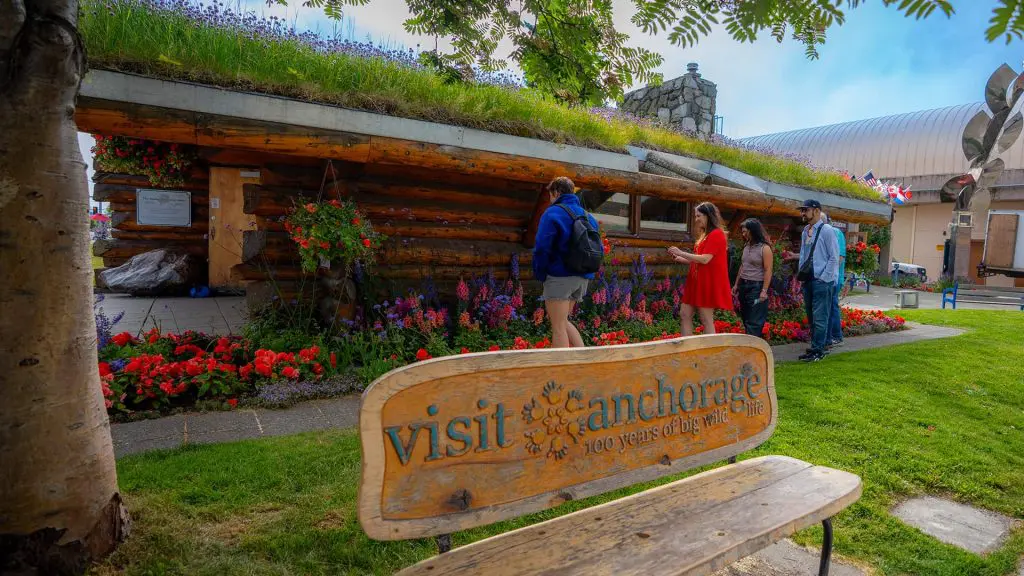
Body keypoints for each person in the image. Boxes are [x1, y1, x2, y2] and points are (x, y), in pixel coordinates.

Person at [532, 176, 601, 348]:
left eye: (550, 195)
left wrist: (540, 273)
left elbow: (542, 247)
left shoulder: (553, 212)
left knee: (558, 328)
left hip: (560, 276)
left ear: (555, 192)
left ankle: (560, 373)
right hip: (582, 276)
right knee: (562, 321)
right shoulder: (588, 216)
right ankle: (583, 360)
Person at [667, 202, 733, 336]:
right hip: (695, 281)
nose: (696, 219)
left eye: (699, 216)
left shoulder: (717, 234)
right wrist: (682, 259)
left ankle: (710, 353)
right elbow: (699, 260)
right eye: (695, 216)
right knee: (684, 314)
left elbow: (705, 259)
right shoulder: (705, 235)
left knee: (706, 319)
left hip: (707, 282)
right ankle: (687, 349)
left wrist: (681, 253)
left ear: (708, 215)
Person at [796, 200, 840, 362]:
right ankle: (815, 347)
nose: (802, 213)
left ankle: (818, 350)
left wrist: (824, 278)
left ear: (816, 211)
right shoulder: (805, 231)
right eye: (802, 210)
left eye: (805, 210)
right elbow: (803, 254)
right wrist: (801, 274)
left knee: (820, 317)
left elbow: (834, 257)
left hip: (822, 281)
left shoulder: (827, 230)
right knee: (812, 317)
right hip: (808, 280)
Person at [732, 218, 773, 338]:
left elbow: (768, 270)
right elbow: (743, 266)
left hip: (757, 288)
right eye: (742, 232)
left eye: (745, 232)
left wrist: (764, 291)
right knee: (746, 318)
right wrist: (736, 285)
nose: (743, 234)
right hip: (744, 286)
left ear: (753, 231)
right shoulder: (747, 246)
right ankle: (751, 349)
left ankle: (753, 351)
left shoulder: (764, 248)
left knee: (754, 322)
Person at [824, 213, 847, 348]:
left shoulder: (836, 233)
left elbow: (839, 258)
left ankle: (836, 336)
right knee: (830, 306)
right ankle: (831, 336)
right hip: (829, 277)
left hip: (833, 278)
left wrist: (827, 274)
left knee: (832, 306)